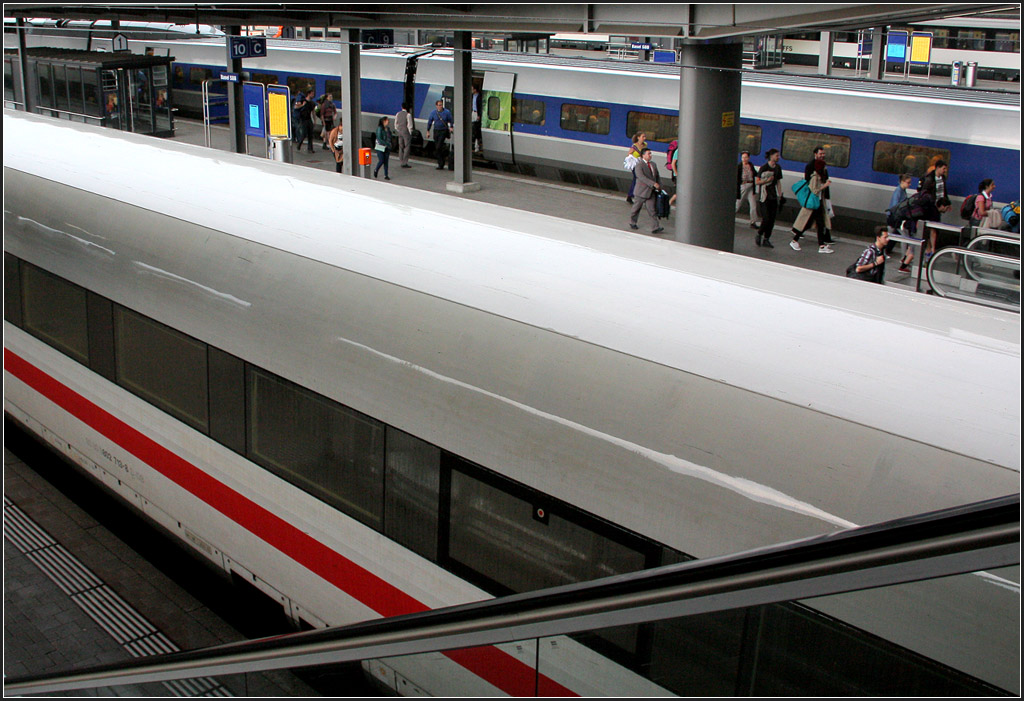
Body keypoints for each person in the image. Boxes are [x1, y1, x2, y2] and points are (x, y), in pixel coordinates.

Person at [790, 149, 833, 253]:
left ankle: (821, 246)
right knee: (814, 223)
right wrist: (825, 186)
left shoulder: (819, 175)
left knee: (816, 223)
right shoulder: (814, 176)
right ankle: (795, 240)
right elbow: (814, 190)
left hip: (817, 202)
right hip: (813, 203)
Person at [628, 148, 665, 234]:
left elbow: (657, 176)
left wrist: (660, 186)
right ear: (643, 155)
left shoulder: (653, 164)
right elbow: (641, 177)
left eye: (650, 153)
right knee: (636, 209)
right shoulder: (639, 165)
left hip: (651, 192)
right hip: (641, 191)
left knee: (652, 210)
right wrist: (653, 184)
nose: (650, 155)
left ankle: (655, 227)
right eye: (649, 154)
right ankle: (633, 222)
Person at [755, 148, 783, 248]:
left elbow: (778, 182)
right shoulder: (764, 168)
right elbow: (757, 181)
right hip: (764, 197)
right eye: (777, 155)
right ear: (771, 156)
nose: (778, 157)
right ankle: (759, 233)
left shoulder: (778, 168)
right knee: (766, 218)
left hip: (773, 196)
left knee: (772, 219)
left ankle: (766, 238)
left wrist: (780, 194)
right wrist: (767, 180)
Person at [887, 174, 914, 271]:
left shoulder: (902, 191)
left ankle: (883, 252)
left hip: (894, 218)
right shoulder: (899, 191)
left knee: (889, 235)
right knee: (905, 237)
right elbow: (895, 205)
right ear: (902, 182)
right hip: (896, 218)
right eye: (908, 182)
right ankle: (904, 258)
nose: (910, 184)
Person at [426, 99, 453, 170]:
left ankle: (441, 163)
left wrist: (451, 127)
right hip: (436, 131)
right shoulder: (433, 113)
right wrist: (428, 131)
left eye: (441, 105)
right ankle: (440, 163)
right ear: (436, 106)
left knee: (438, 146)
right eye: (439, 105)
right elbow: (430, 122)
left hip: (443, 131)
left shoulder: (447, 112)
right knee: (437, 147)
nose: (440, 106)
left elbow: (451, 120)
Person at [736, 151, 760, 228]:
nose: (744, 159)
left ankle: (753, 222)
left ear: (749, 158)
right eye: (743, 157)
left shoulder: (750, 165)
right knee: (738, 203)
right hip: (743, 185)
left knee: (753, 205)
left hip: (751, 186)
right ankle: (729, 217)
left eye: (746, 157)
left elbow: (755, 173)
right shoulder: (739, 166)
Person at [625, 132, 646, 204]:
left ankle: (631, 195)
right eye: (643, 137)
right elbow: (628, 155)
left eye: (644, 137)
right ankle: (632, 194)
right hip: (635, 165)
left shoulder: (645, 145)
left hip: (641, 164)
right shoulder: (634, 146)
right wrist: (634, 158)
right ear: (638, 137)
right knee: (637, 178)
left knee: (637, 179)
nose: (644, 138)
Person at [395, 102, 414, 168]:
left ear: (402, 107)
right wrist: (410, 132)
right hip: (406, 132)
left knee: (400, 146)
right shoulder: (408, 115)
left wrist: (398, 129)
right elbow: (410, 125)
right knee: (407, 147)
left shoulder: (398, 114)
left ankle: (401, 160)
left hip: (400, 131)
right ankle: (404, 162)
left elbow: (396, 124)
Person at [471, 84, 482, 153]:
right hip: (472, 112)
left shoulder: (479, 97)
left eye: (472, 89)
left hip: (476, 113)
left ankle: (476, 146)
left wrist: (479, 115)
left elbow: (480, 106)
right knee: (472, 128)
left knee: (476, 129)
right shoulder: (472, 96)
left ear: (475, 90)